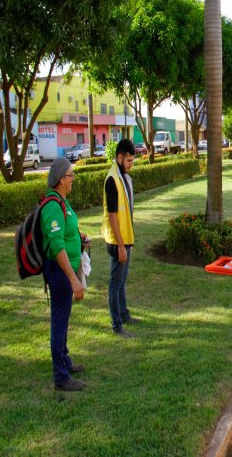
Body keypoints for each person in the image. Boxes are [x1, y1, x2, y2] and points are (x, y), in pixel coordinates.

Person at [41, 157, 90, 391]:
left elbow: (67, 234)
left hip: (64, 271)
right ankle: (60, 377)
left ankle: (65, 361)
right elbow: (56, 244)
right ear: (62, 179)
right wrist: (73, 279)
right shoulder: (52, 205)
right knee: (59, 322)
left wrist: (80, 241)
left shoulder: (63, 202)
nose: (73, 179)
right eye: (71, 175)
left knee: (63, 319)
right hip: (60, 273)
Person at [102, 138, 138, 338]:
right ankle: (117, 325)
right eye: (129, 161)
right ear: (120, 157)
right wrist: (121, 246)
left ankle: (124, 315)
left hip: (126, 239)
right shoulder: (112, 179)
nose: (131, 165)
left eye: (133, 161)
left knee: (122, 279)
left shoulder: (123, 176)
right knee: (115, 283)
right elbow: (112, 215)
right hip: (117, 242)